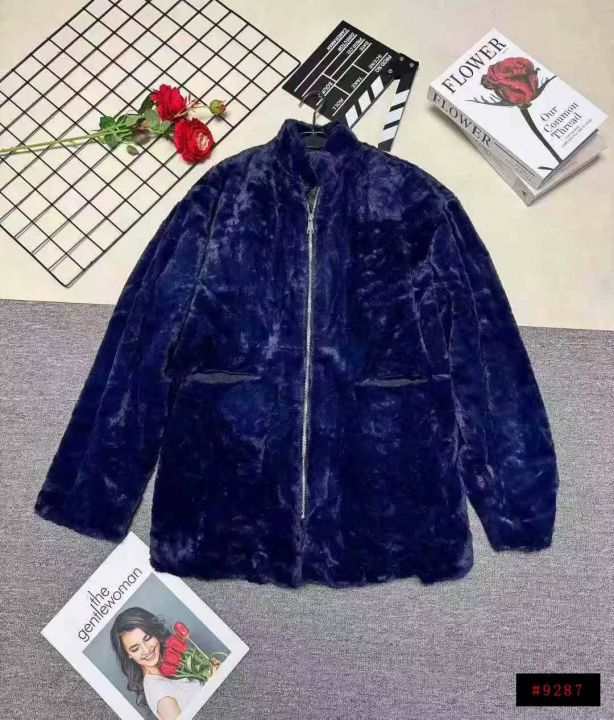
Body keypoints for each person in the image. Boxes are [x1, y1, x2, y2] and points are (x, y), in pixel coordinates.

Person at [110, 607, 204, 719]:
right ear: (128, 654)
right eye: (135, 649)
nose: (146, 650)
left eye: (147, 638)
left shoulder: (171, 663)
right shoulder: (159, 692)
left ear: (155, 633)